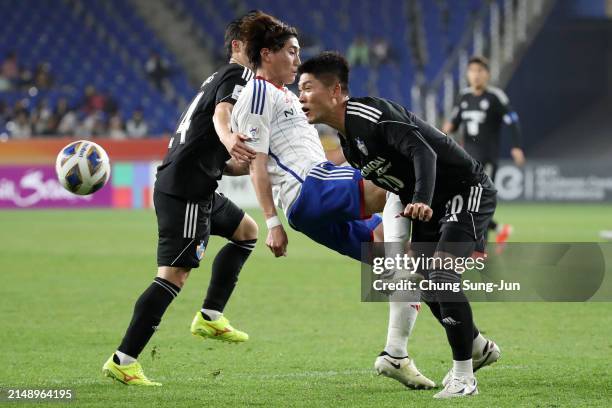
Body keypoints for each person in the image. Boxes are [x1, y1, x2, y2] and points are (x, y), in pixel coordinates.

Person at [231, 13, 434, 389]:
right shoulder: (258, 91)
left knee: (399, 254)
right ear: (267, 54)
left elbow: (249, 159)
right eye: (290, 52)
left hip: (314, 201)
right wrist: (271, 223)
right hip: (311, 187)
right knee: (396, 181)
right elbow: (257, 162)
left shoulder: (283, 96)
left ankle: (398, 353)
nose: (296, 60)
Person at [297, 51, 501, 399]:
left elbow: (424, 152)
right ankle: (479, 349)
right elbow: (394, 188)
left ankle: (464, 377)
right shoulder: (350, 144)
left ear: (335, 91)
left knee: (442, 276)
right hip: (427, 205)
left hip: (465, 190)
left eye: (307, 88)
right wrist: (400, 240)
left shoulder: (370, 115)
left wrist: (420, 197)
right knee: (422, 281)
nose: (300, 96)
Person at [102, 13, 260, 386]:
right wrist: (230, 140)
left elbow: (218, 157)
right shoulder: (238, 75)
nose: (262, 49)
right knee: (174, 275)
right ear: (238, 46)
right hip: (187, 191)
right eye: (256, 42)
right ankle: (124, 360)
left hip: (198, 184)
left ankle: (210, 316)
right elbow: (222, 118)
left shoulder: (219, 78)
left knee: (246, 231)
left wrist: (251, 165)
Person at [442, 56, 525, 246]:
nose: (476, 75)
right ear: (467, 74)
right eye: (472, 71)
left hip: (487, 159)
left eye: (480, 71)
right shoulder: (463, 97)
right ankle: (497, 230)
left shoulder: (495, 97)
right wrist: (440, 134)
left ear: (487, 74)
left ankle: (481, 246)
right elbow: (452, 124)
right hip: (466, 159)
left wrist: (517, 146)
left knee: (479, 200)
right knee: (463, 201)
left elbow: (513, 122)